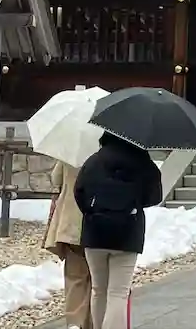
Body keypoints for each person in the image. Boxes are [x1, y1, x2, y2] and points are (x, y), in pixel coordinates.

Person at [74, 131, 164, 329]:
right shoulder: (143, 162)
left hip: (95, 232)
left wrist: (92, 212)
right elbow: (155, 196)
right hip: (127, 232)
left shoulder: (94, 161)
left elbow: (79, 192)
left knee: (98, 290)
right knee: (118, 293)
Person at [43, 159, 92, 329]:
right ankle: (93, 321)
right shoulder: (104, 155)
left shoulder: (71, 153)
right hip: (97, 222)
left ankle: (75, 322)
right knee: (98, 280)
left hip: (70, 222)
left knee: (75, 276)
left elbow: (56, 178)